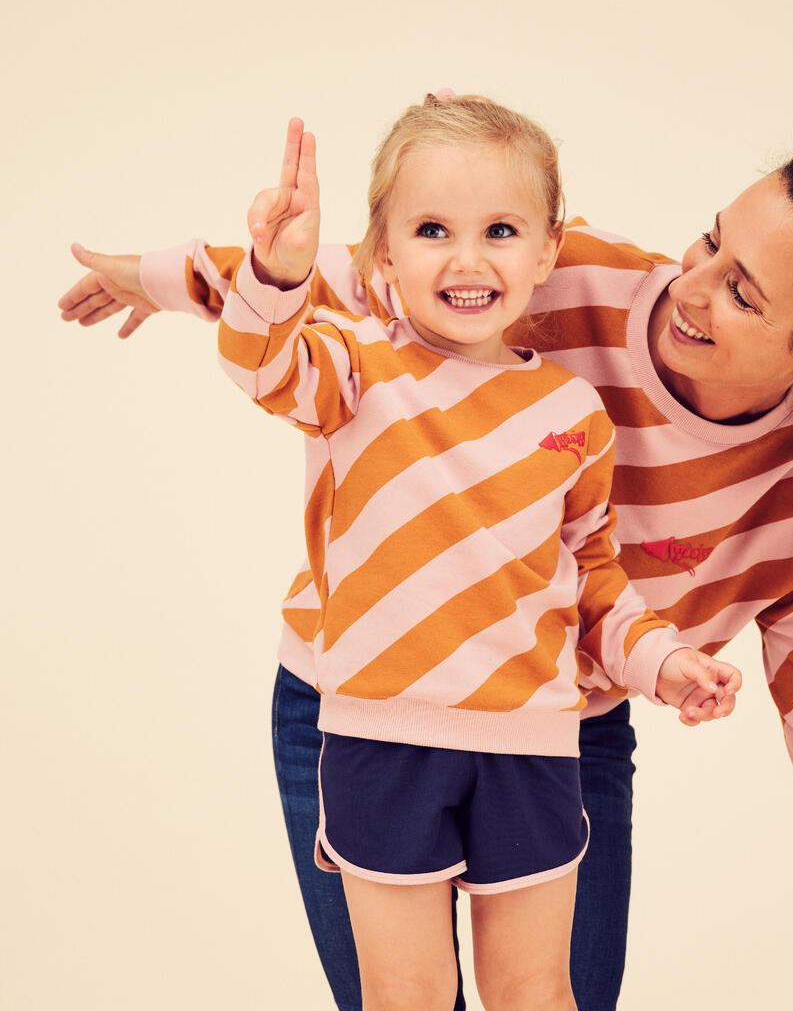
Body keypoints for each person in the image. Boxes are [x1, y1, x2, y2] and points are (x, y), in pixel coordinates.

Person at [59, 112, 793, 1011]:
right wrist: (163, 275)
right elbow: (354, 276)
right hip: (354, 707)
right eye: (711, 240)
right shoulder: (568, 279)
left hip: (555, 738)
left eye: (742, 293)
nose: (690, 286)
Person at [119, 93, 742, 1011]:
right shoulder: (349, 364)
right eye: (431, 230)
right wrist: (276, 272)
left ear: (547, 251)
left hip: (533, 747)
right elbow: (258, 364)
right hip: (381, 740)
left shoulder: (575, 415)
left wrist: (664, 662)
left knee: (539, 991)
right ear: (383, 252)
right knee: (406, 993)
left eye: (500, 230)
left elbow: (594, 582)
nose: (467, 259)